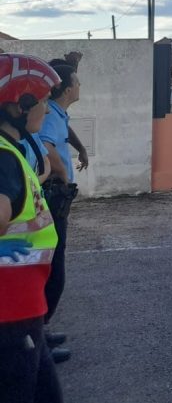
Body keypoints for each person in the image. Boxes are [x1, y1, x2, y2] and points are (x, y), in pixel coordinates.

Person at [0, 53, 63, 403]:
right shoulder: (4, 158)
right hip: (10, 314)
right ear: (17, 107)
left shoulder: (10, 150)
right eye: (41, 102)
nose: (47, 110)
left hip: (23, 308)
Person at [38, 62, 83, 364]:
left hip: (56, 197)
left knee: (53, 267)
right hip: (54, 197)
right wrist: (64, 176)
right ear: (67, 88)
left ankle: (41, 330)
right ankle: (38, 338)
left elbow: (62, 131)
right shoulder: (49, 113)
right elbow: (47, 146)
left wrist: (81, 148)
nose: (80, 86)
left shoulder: (55, 112)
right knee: (53, 270)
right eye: (77, 82)